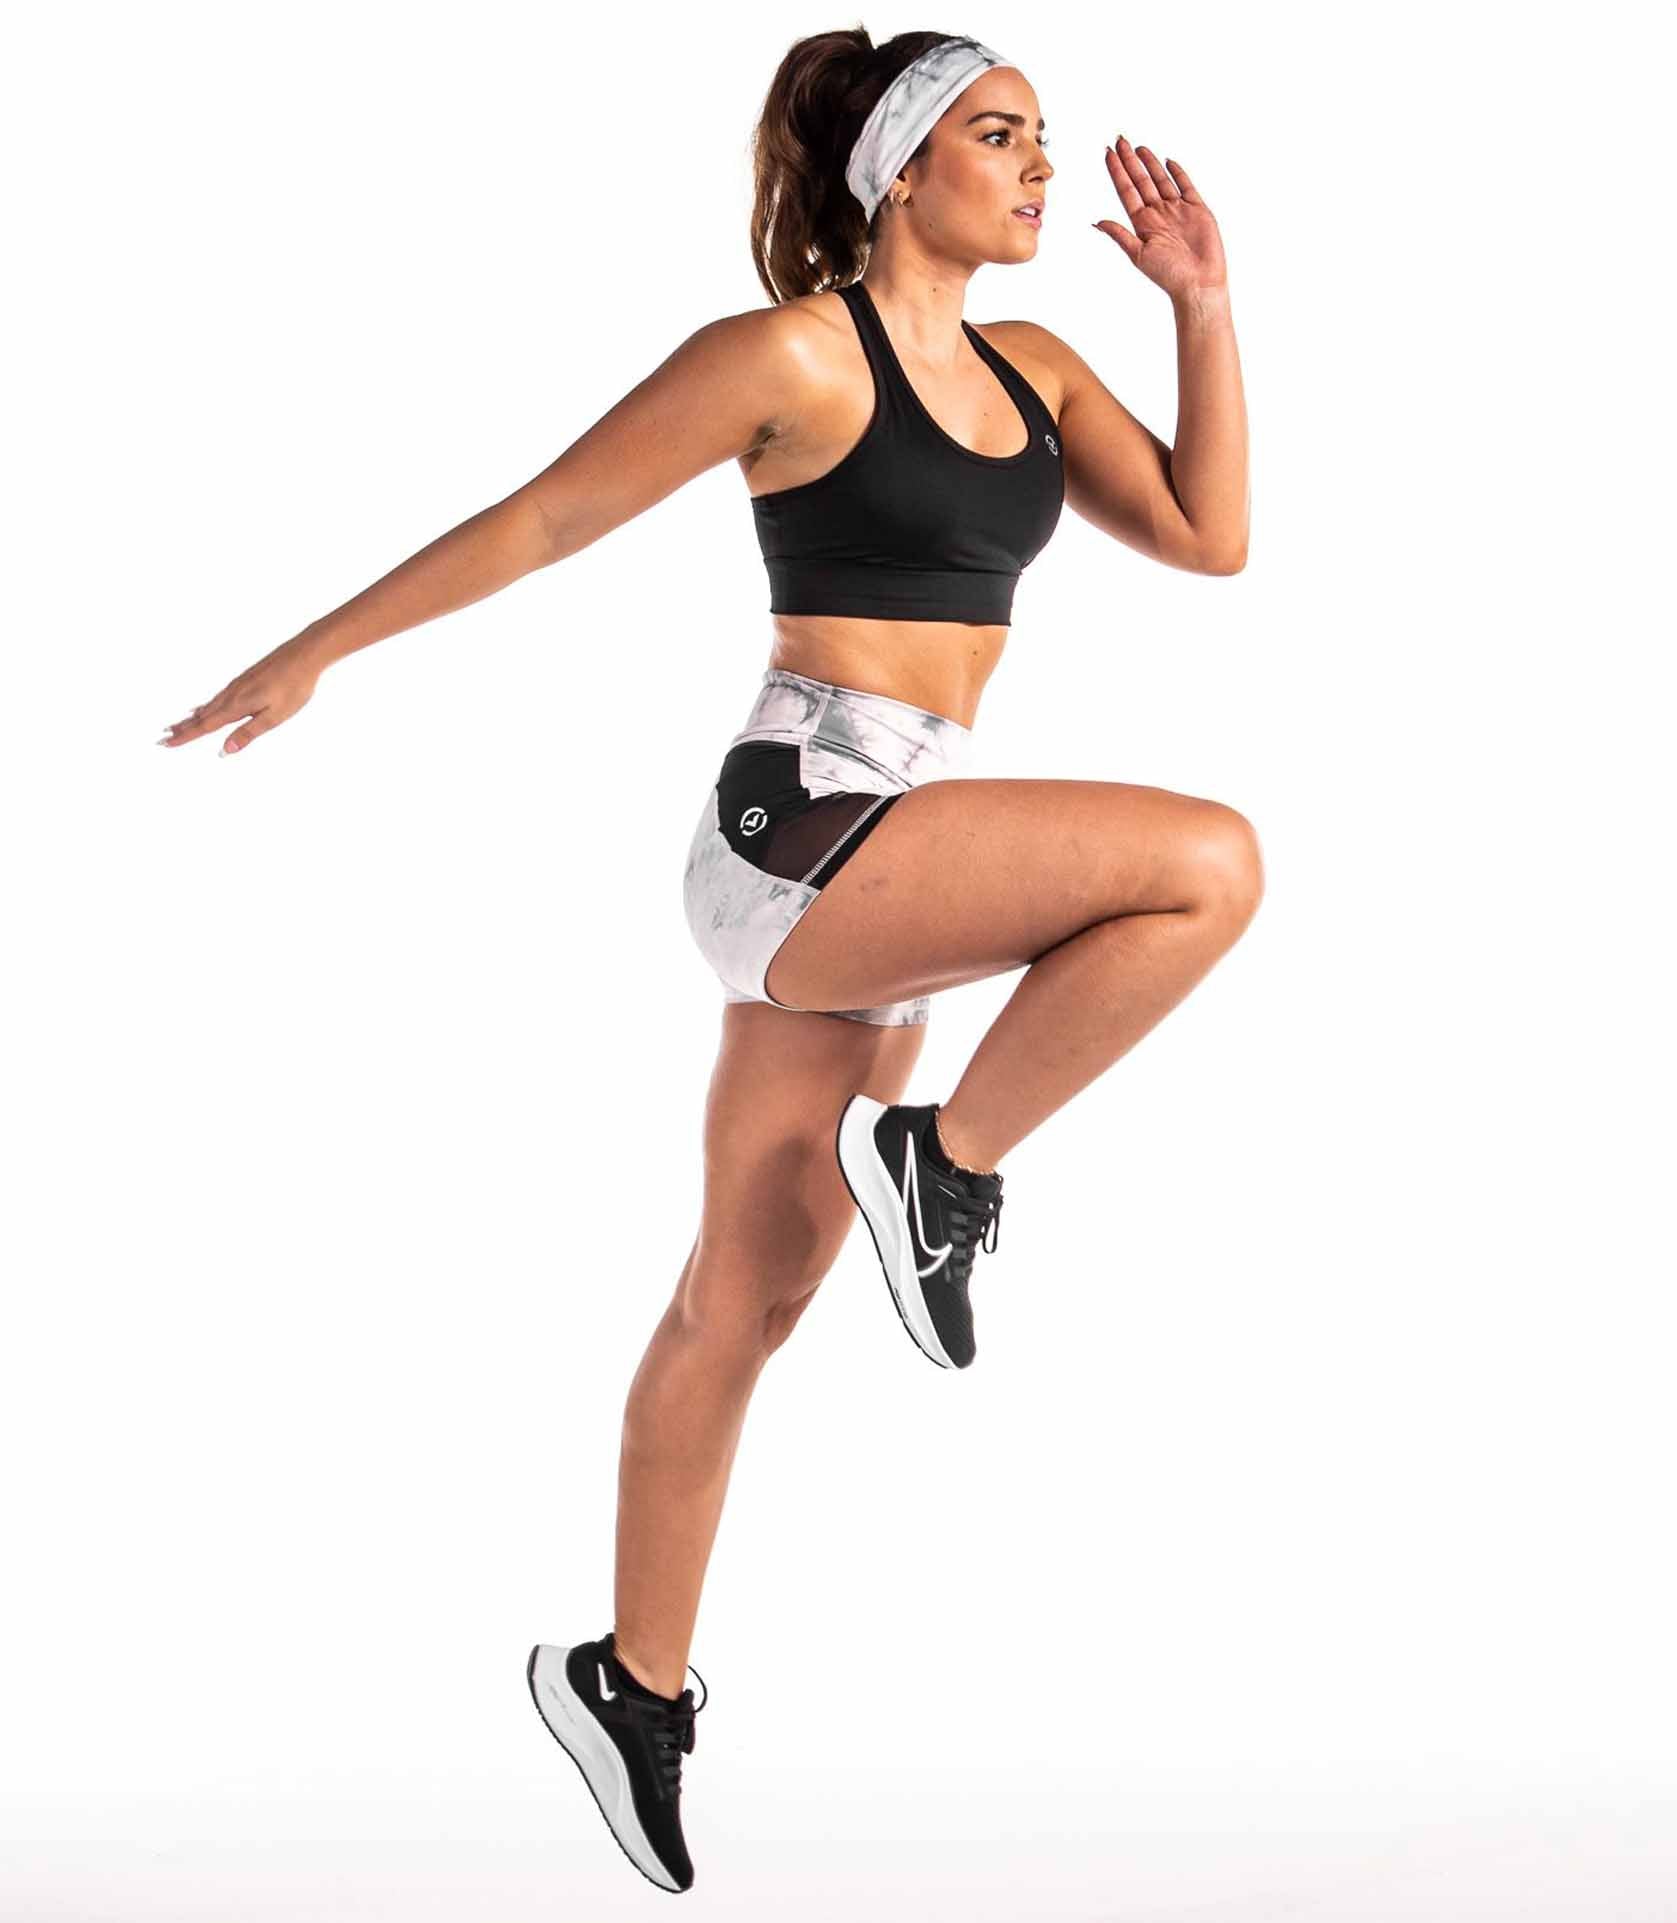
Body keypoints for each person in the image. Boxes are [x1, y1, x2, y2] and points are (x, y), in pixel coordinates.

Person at [157, 28, 1256, 1896]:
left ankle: (629, 1684)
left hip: (910, 852)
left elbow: (1210, 539)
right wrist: (317, 649)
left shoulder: (1039, 367)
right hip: (801, 826)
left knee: (740, 1299)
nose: (1038, 168)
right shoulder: (791, 357)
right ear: (899, 168)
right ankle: (945, 1167)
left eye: (1041, 139)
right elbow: (545, 516)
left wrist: (1203, 309)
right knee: (1204, 865)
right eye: (998, 136)